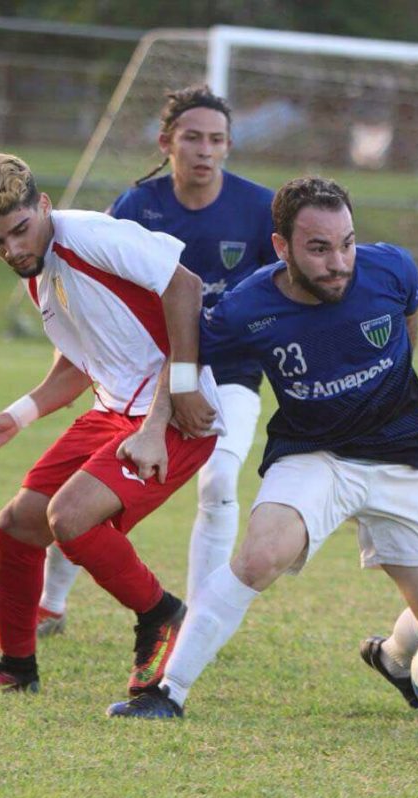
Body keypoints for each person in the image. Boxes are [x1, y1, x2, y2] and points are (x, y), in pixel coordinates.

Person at [106, 176, 418, 719]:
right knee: (260, 557)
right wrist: (157, 423)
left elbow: (408, 325)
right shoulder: (246, 307)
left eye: (346, 242)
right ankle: (166, 692)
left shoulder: (392, 268)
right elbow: (186, 356)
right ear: (282, 247)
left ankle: (393, 658)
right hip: (313, 455)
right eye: (318, 248)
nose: (338, 262)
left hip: (400, 459)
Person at [0, 152, 223, 695]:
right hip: (114, 412)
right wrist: (18, 415)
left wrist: (172, 402)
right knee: (19, 524)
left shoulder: (88, 235)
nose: (13, 248)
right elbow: (79, 363)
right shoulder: (36, 271)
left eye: (21, 230)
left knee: (69, 518)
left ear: (43, 205)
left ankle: (161, 615)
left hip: (177, 416)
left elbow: (185, 289)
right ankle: (17, 670)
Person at [37, 85, 277, 637]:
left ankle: (199, 621)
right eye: (192, 137)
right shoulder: (136, 207)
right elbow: (90, 298)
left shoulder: (260, 208)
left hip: (229, 375)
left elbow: (285, 289)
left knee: (219, 483)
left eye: (217, 140)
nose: (205, 150)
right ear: (166, 142)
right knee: (85, 487)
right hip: (143, 378)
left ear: (228, 146)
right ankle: (50, 603)